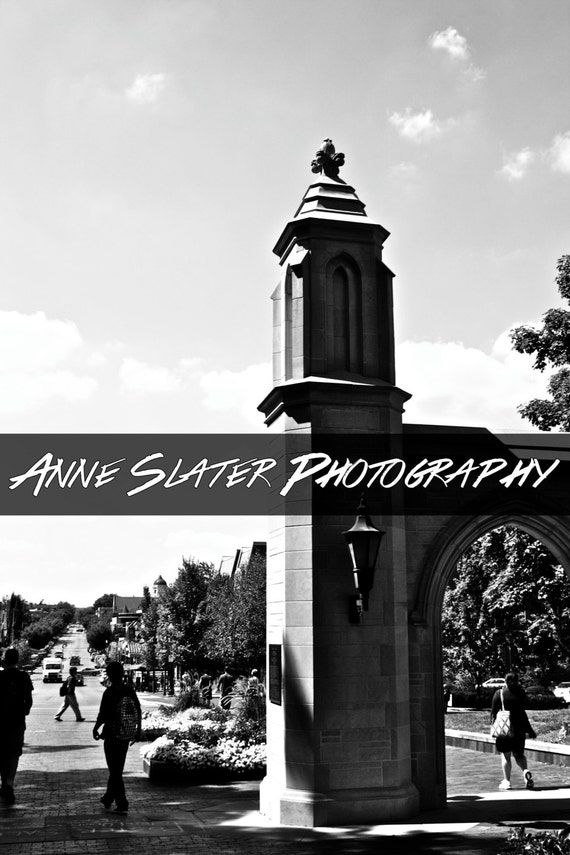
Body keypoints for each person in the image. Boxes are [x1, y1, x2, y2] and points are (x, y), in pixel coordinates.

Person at [92, 661, 141, 814]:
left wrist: (95, 728)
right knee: (117, 768)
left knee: (115, 771)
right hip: (125, 735)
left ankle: (122, 803)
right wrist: (138, 730)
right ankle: (108, 797)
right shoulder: (129, 690)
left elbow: (103, 714)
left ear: (110, 675)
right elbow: (138, 710)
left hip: (112, 734)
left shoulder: (109, 692)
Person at [491, 672, 536, 790]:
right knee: (519, 754)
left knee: (506, 756)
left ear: (505, 681)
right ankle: (525, 772)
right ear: (517, 681)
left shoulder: (499, 693)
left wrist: (493, 726)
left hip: (505, 730)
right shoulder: (521, 694)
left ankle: (507, 781)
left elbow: (494, 712)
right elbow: (523, 713)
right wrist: (530, 730)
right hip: (519, 729)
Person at [0, 648, 33, 805]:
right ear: (17, 660)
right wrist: (24, 712)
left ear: (4, 660)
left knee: (1, 752)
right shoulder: (23, 677)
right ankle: (9, 783)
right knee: (14, 753)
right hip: (17, 721)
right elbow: (29, 700)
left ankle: (3, 782)